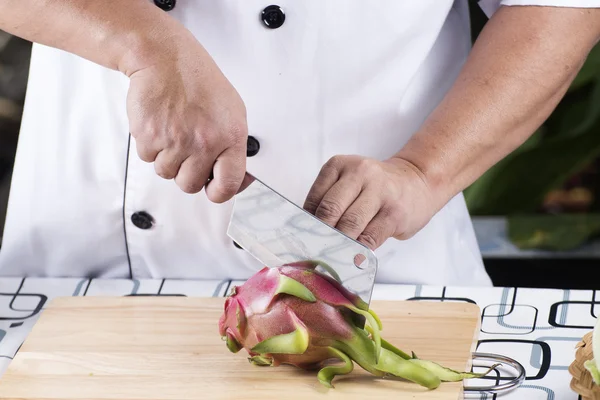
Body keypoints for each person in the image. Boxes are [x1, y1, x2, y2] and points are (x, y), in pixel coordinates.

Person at [0, 1, 598, 287]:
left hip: (379, 274)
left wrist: (424, 170)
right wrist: (143, 45)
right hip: (80, 280)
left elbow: (560, 6)